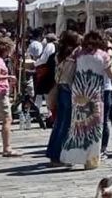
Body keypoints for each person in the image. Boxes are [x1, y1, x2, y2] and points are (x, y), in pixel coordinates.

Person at [61, 31, 112, 169]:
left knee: (77, 126)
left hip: (79, 93)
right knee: (94, 127)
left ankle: (70, 157)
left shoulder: (78, 52)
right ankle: (91, 161)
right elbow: (111, 75)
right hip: (94, 93)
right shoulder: (103, 56)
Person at [46, 31, 81, 166]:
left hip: (60, 87)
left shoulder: (59, 54)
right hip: (69, 88)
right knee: (66, 124)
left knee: (59, 123)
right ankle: (59, 156)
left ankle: (53, 152)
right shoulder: (74, 54)